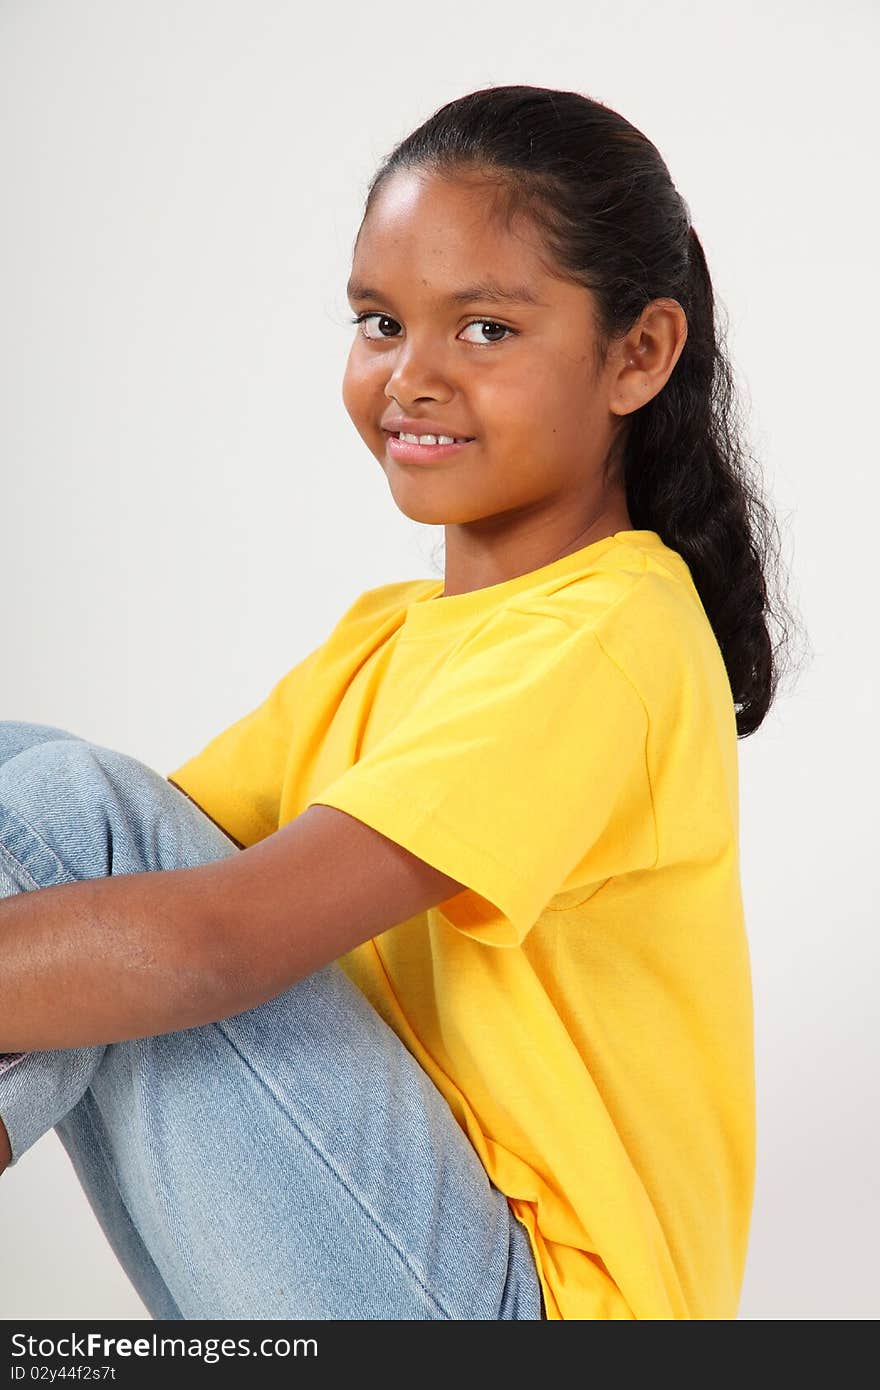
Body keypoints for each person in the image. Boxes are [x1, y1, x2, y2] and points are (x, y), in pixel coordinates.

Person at [0, 83, 796, 1320]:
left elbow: (210, 938)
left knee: (63, 812)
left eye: (484, 331)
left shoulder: (611, 635)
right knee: (28, 777)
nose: (410, 377)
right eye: (380, 322)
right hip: (397, 1259)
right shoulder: (391, 640)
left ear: (638, 354)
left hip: (525, 1311)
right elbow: (105, 879)